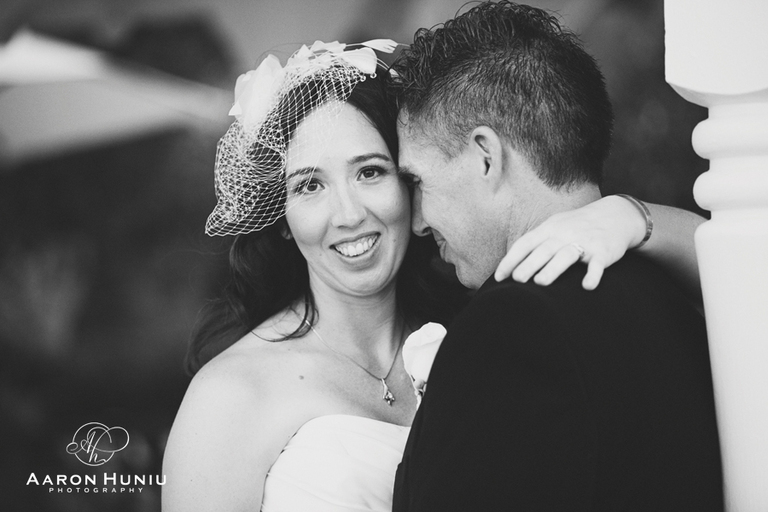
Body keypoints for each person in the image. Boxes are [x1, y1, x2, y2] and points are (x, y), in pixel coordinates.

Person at [161, 37, 708, 512]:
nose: (348, 214)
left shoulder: (483, 329)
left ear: (409, 185)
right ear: (282, 220)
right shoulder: (232, 394)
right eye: (309, 185)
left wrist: (627, 215)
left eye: (370, 172)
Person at [390, 2, 722, 512]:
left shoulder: (509, 330)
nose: (415, 222)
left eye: (417, 180)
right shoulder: (678, 294)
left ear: (486, 156)